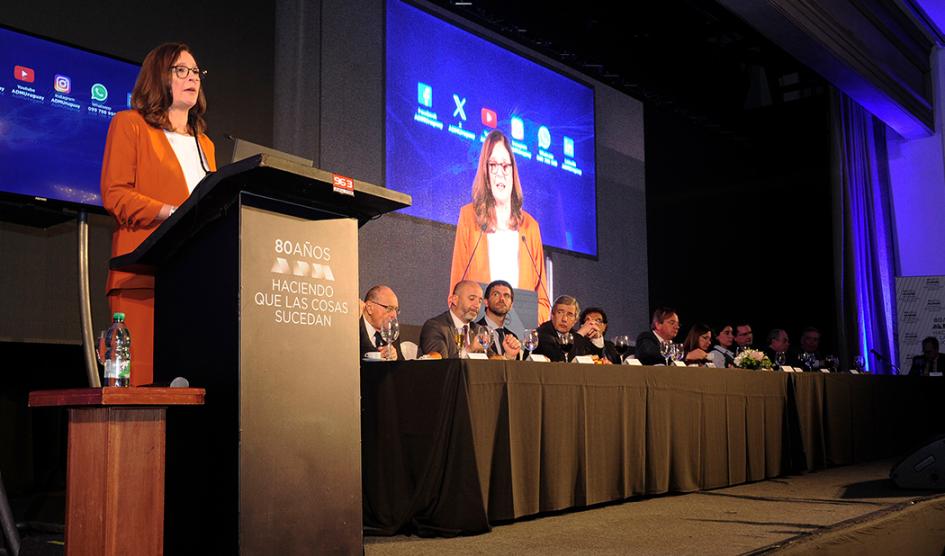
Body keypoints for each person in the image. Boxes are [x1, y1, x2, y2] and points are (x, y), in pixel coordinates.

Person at [101, 43, 216, 385]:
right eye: (180, 70)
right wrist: (172, 212)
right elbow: (115, 194)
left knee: (188, 388)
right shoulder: (130, 125)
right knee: (142, 390)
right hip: (144, 278)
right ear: (158, 77)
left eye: (195, 71)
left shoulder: (204, 143)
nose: (191, 77)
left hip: (193, 282)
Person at [449, 130, 550, 324]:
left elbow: (543, 300)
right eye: (493, 165)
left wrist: (528, 326)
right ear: (485, 172)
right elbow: (456, 288)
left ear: (513, 171)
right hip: (479, 330)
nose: (500, 173)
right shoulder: (469, 217)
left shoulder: (530, 227)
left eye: (505, 165)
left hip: (522, 334)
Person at [419, 280, 486, 358]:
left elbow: (492, 358)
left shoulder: (478, 330)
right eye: (471, 299)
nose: (477, 305)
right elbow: (442, 364)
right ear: (454, 300)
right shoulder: (435, 327)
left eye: (480, 301)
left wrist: (503, 354)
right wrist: (469, 350)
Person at [532, 295, 595, 362]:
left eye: (570, 314)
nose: (564, 319)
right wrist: (580, 334)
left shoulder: (577, 337)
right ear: (552, 315)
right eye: (560, 312)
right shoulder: (540, 334)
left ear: (575, 320)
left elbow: (593, 359)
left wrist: (597, 339)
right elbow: (562, 360)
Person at [475, 280, 523, 360]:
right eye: (496, 294)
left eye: (507, 296)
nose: (502, 299)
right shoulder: (474, 331)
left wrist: (509, 357)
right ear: (486, 302)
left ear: (511, 305)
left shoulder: (513, 338)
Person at [359, 285, 403, 360]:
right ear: (369, 308)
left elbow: (404, 369)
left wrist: (395, 358)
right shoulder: (354, 328)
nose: (394, 316)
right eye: (389, 308)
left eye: (396, 310)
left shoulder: (391, 331)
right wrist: (377, 356)